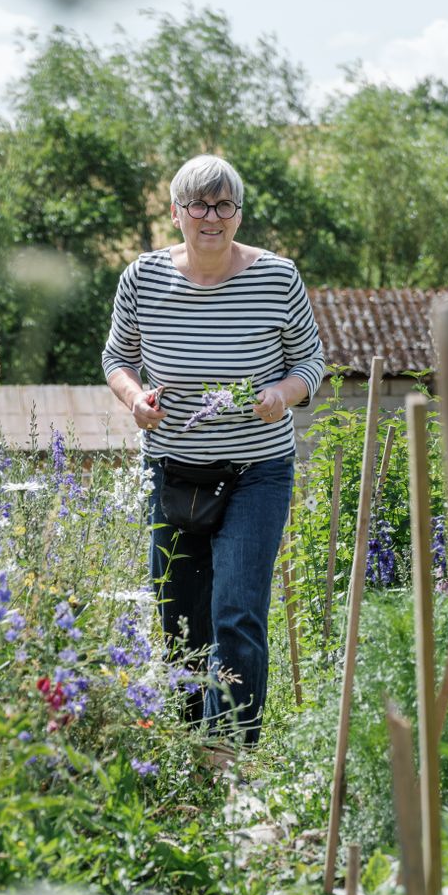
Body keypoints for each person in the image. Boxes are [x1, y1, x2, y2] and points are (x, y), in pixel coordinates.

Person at [102, 154, 325, 759]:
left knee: (236, 610)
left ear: (239, 215)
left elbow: (311, 362)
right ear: (176, 213)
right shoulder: (142, 278)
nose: (210, 217)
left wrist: (283, 392)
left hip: (257, 471)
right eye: (197, 205)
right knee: (179, 614)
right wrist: (136, 400)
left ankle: (229, 752)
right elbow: (116, 359)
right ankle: (185, 744)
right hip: (172, 471)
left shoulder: (276, 278)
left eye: (223, 205)